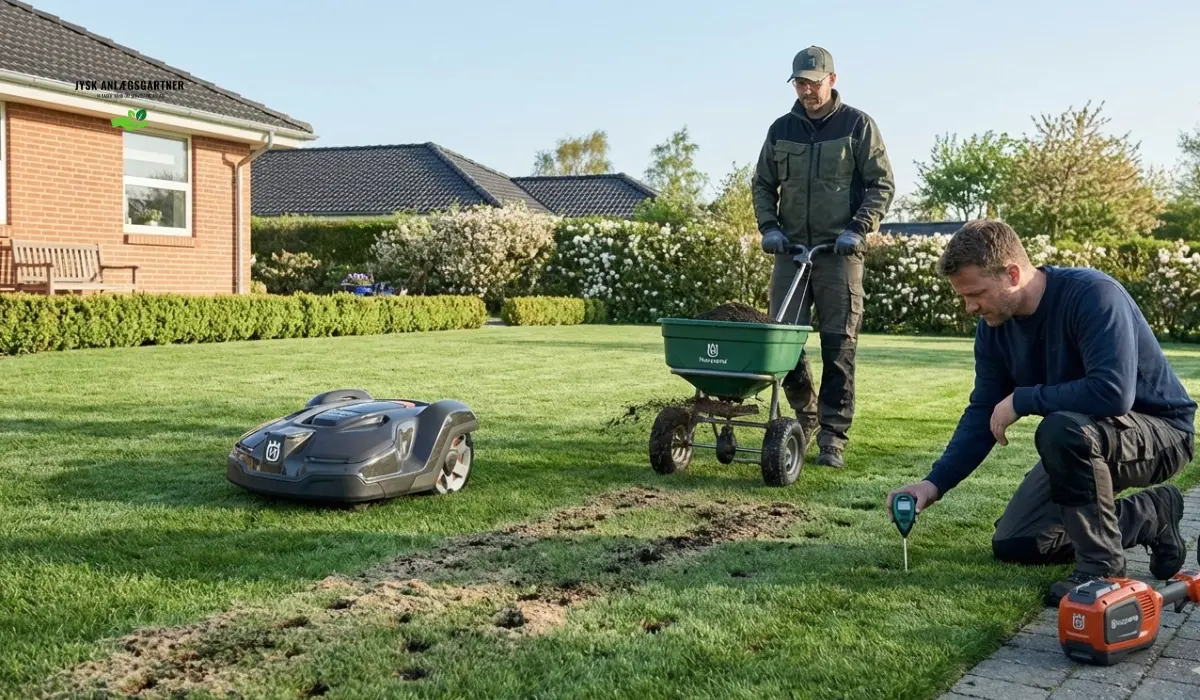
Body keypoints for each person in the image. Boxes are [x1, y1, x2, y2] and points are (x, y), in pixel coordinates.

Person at [886, 219, 1196, 607]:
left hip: (1162, 434)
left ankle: (1100, 569)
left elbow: (1113, 392)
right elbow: (983, 410)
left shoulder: (1094, 296)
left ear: (1012, 274)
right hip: (1086, 438)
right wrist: (933, 484)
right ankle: (1152, 513)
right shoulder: (993, 328)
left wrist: (1022, 399)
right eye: (963, 297)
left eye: (976, 293)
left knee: (1060, 429)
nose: (970, 307)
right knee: (1020, 542)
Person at [753, 45, 895, 468]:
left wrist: (858, 228)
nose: (807, 91)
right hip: (792, 252)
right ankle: (805, 415)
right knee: (784, 344)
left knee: (839, 347)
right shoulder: (781, 130)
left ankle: (833, 436)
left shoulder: (857, 125)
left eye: (813, 83)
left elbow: (881, 185)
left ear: (832, 80)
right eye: (800, 83)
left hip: (839, 254)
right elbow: (762, 184)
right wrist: (770, 228)